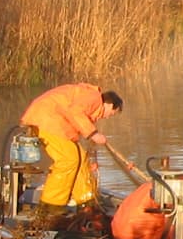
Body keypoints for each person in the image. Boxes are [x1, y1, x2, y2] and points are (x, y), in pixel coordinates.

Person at [20, 84, 123, 212]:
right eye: (111, 113)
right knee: (69, 159)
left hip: (54, 122)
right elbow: (75, 112)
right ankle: (51, 205)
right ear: (109, 104)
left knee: (80, 156)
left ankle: (86, 200)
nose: (107, 117)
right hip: (48, 120)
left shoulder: (89, 98)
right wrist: (93, 134)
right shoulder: (93, 98)